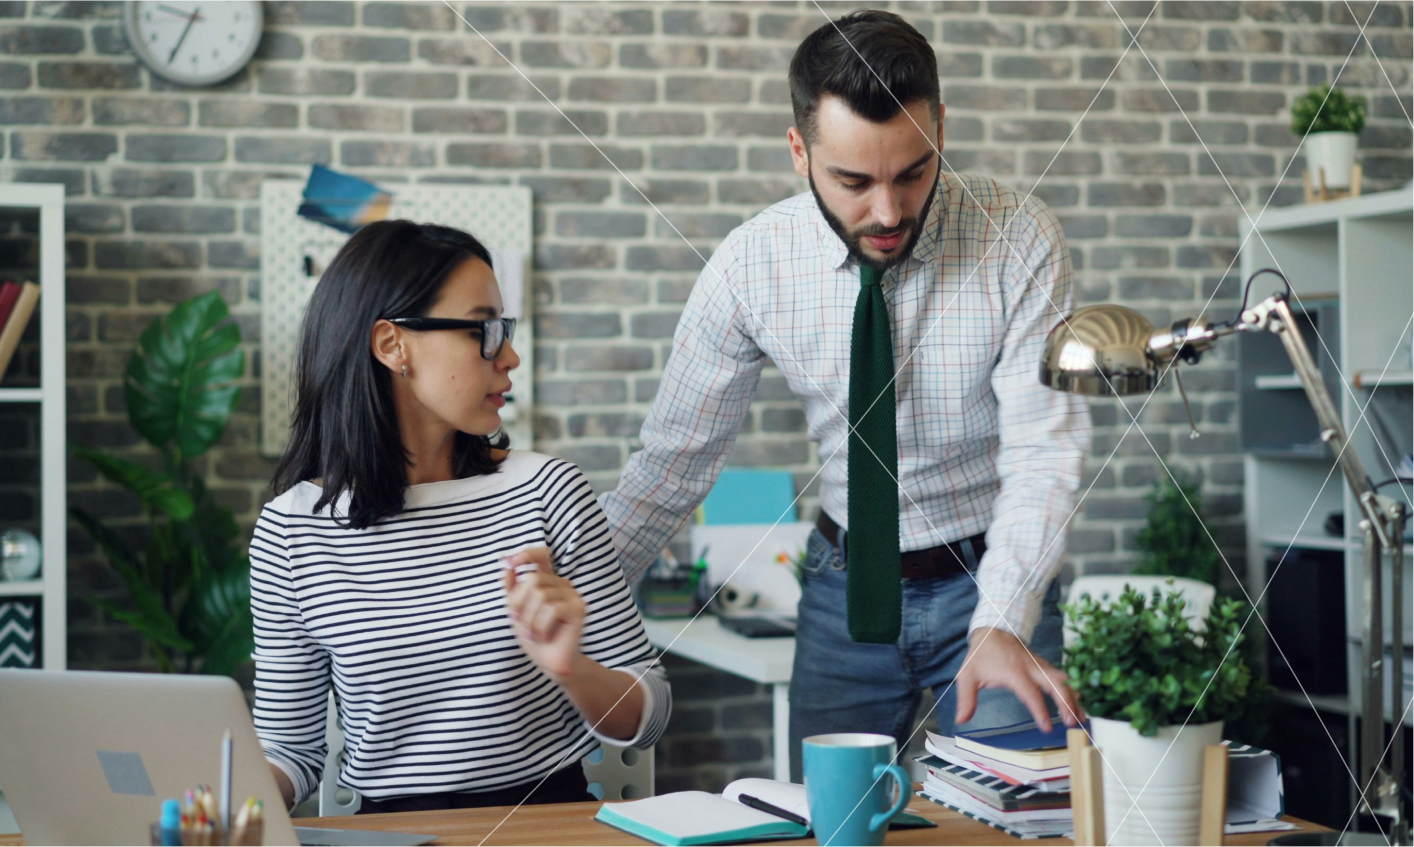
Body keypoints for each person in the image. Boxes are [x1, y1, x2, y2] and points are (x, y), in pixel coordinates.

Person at [600, 10, 1089, 778]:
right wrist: (582, 602)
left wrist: (1002, 618)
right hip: (842, 590)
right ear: (800, 152)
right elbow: (671, 464)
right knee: (833, 827)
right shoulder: (749, 267)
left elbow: (1043, 447)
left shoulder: (1017, 237)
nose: (888, 212)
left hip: (990, 581)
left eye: (913, 172)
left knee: (1019, 818)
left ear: (939, 129)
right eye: (853, 181)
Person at [251, 221, 670, 813]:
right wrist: (227, 800)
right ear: (392, 344)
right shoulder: (291, 530)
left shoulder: (547, 491)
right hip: (394, 835)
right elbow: (289, 751)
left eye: (506, 329)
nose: (511, 356)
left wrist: (573, 670)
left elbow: (648, 714)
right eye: (486, 331)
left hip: (545, 827)